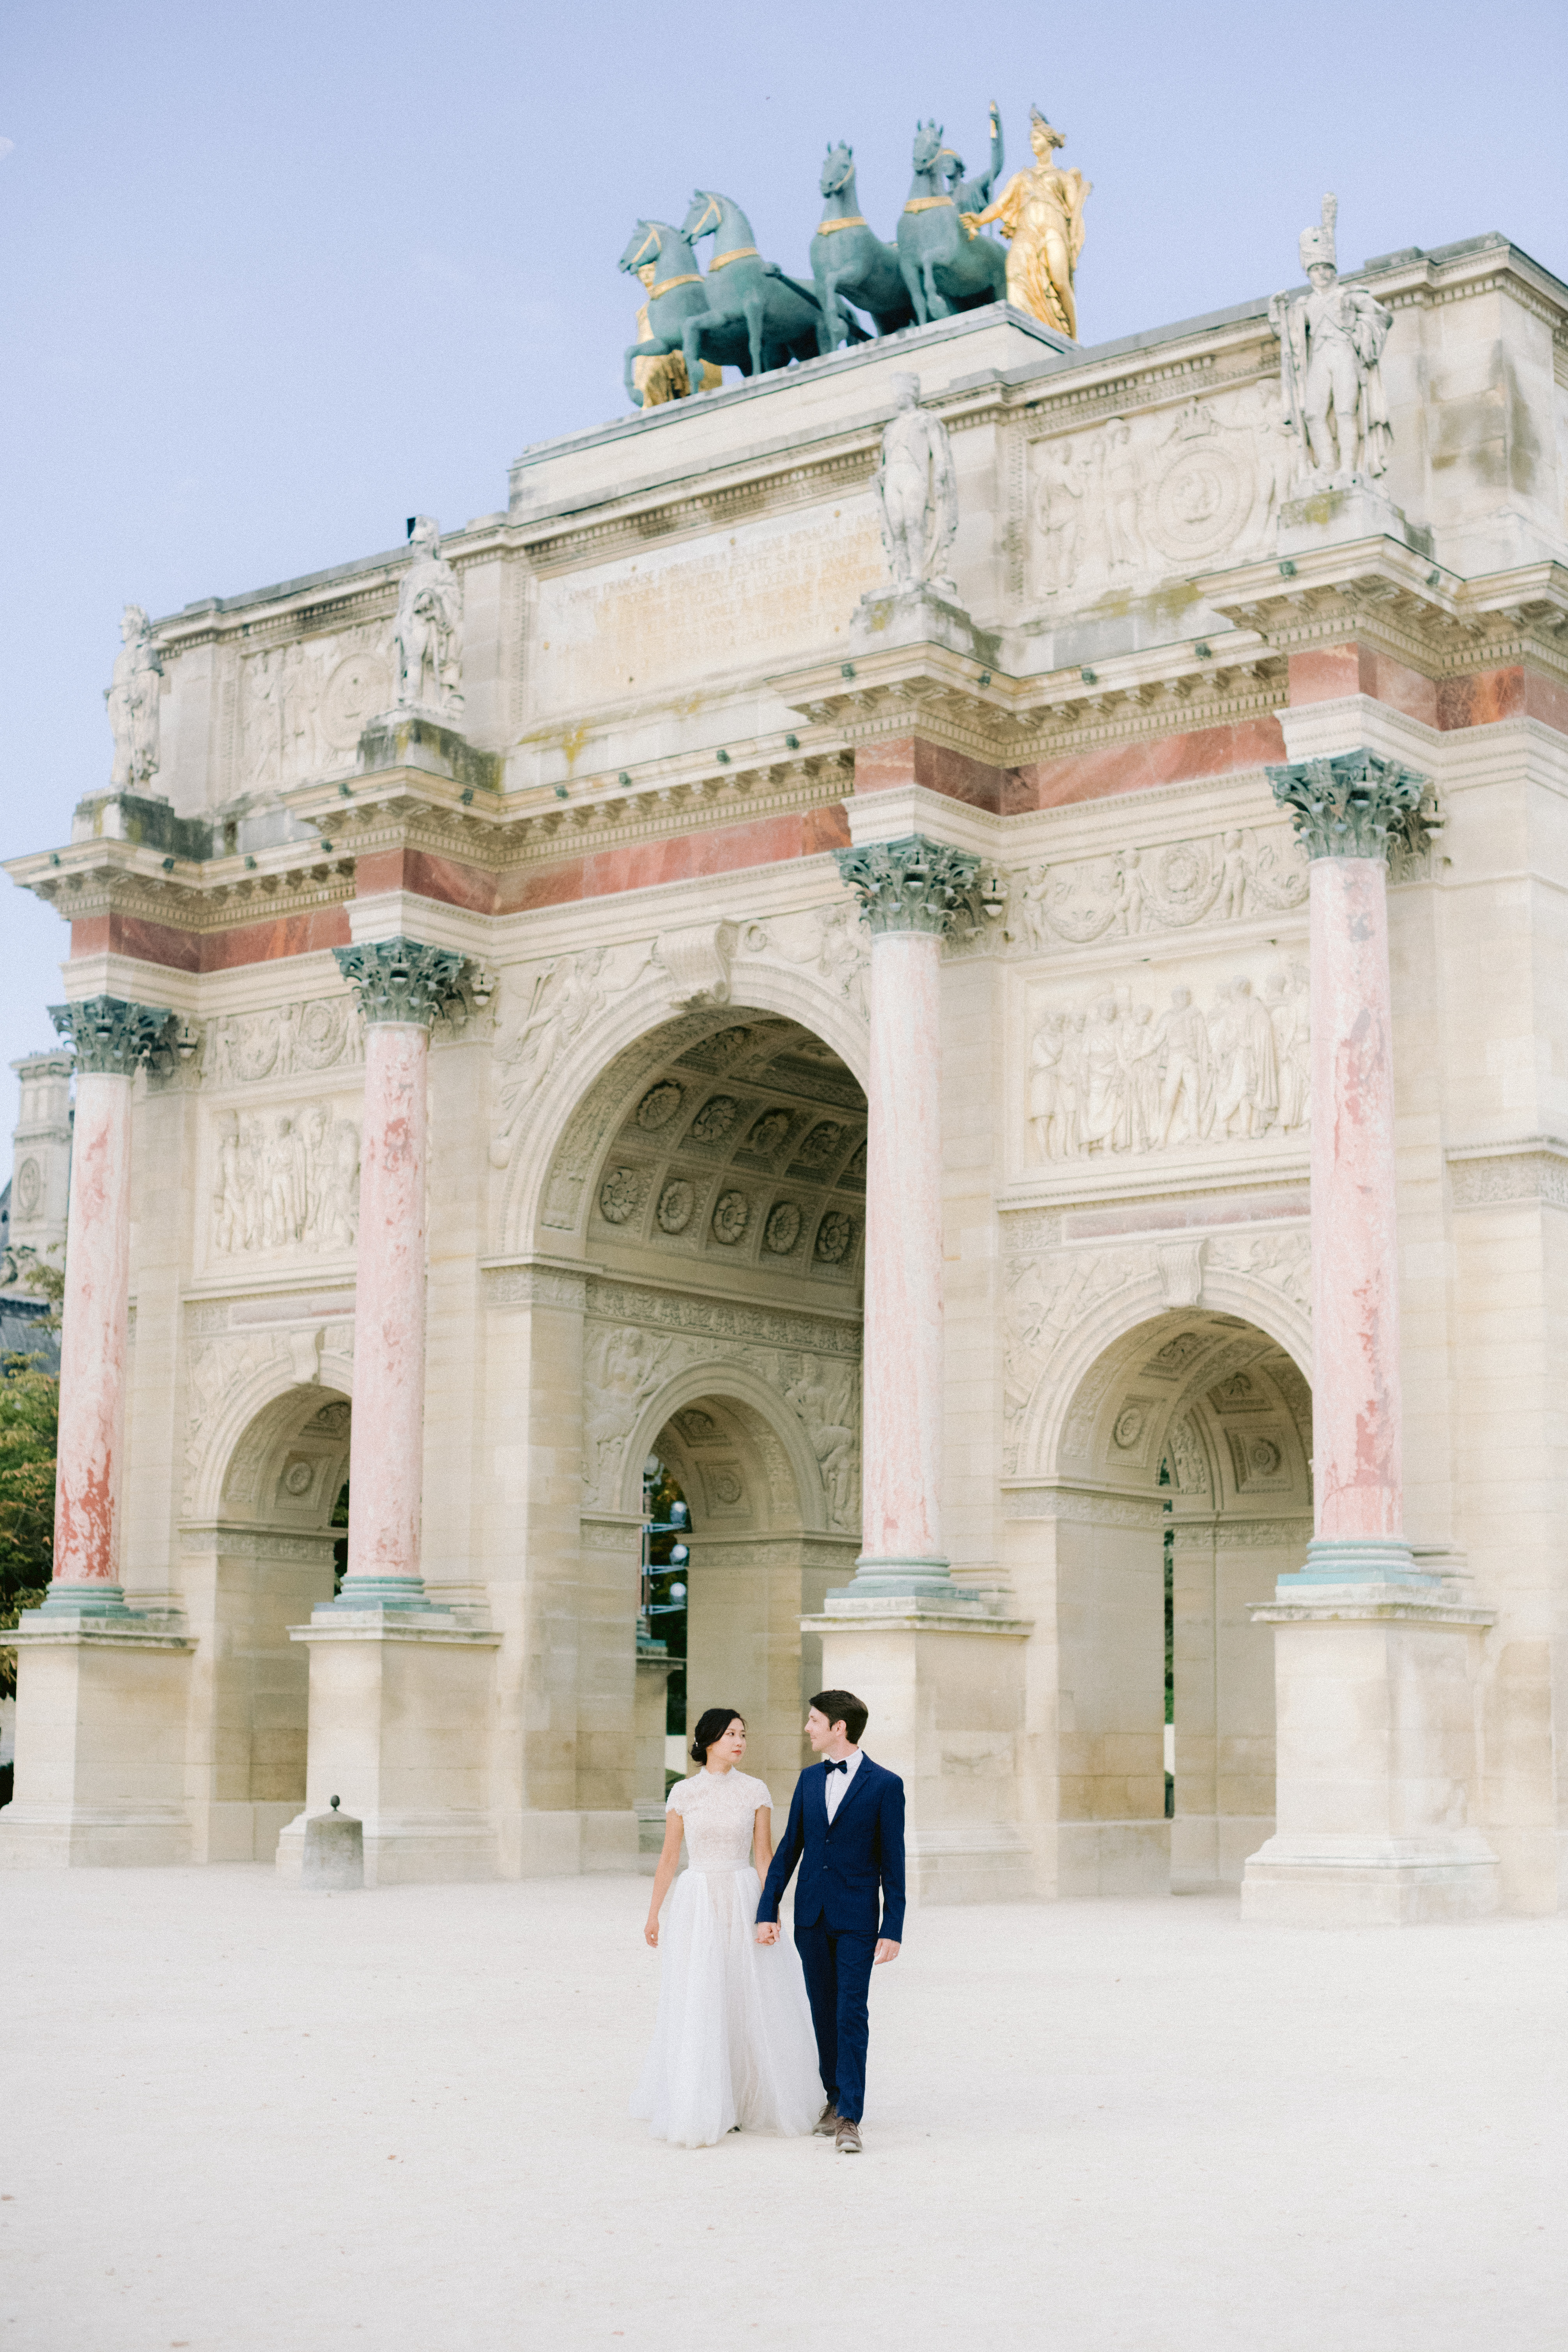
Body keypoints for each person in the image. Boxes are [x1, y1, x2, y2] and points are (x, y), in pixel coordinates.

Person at [633, 1708, 823, 2149]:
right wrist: (653, 1913)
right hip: (698, 1898)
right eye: (731, 1734)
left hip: (742, 1894)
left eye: (743, 1734)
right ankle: (704, 2099)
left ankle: (750, 2096)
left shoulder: (754, 1790)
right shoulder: (682, 1792)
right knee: (701, 1992)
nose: (739, 1741)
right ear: (709, 1740)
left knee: (748, 1990)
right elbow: (668, 1858)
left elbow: (764, 1857)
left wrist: (769, 1909)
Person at [755, 1690, 906, 2156]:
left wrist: (893, 1926)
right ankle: (833, 2094)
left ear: (838, 1727)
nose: (808, 1728)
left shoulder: (885, 1784)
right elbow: (788, 1851)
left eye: (814, 1720)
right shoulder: (806, 1781)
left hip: (859, 1919)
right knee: (823, 2010)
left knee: (850, 2012)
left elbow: (893, 1863)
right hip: (812, 1916)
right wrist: (767, 1909)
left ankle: (849, 2117)